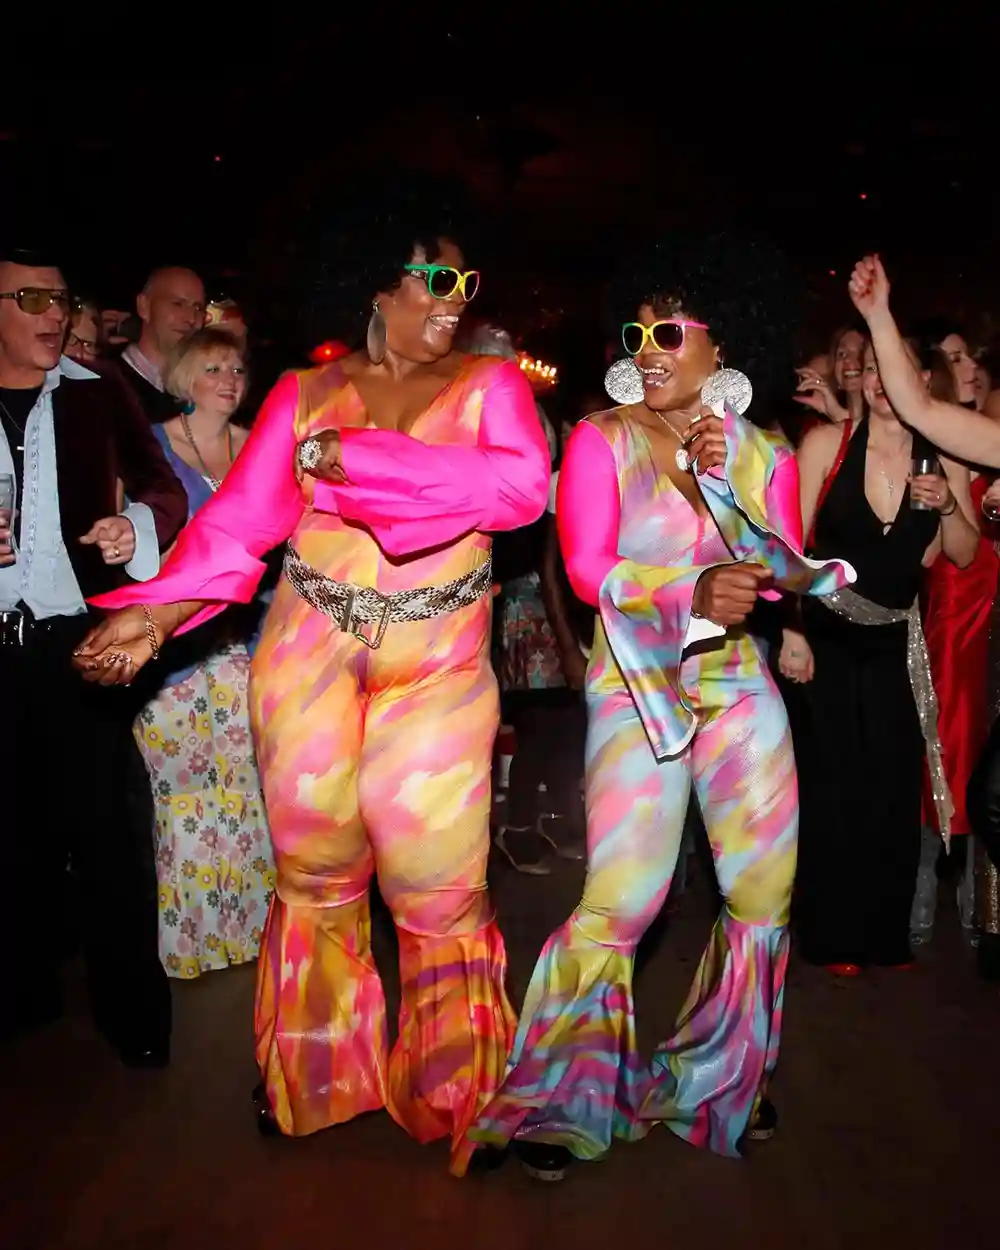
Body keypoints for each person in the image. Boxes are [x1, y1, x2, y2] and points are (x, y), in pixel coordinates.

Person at [71, 180, 550, 1171]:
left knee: (436, 884)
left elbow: (518, 489)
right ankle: (318, 1072)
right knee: (317, 875)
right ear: (375, 283)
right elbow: (236, 530)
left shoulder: (488, 386)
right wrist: (151, 618)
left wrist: (355, 460)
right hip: (308, 652)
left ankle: (456, 1085)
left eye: (464, 281)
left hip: (437, 665)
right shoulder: (300, 392)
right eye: (434, 278)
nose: (454, 298)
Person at [465, 234, 854, 1181]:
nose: (648, 349)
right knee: (624, 899)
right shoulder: (600, 439)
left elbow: (780, 572)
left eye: (669, 332)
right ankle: (560, 1093)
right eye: (637, 333)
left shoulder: (766, 451)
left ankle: (724, 1077)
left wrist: (731, 479)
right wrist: (690, 590)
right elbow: (587, 570)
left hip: (737, 685)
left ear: (723, 344)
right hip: (635, 687)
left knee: (761, 896)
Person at [0, 246, 187, 1060]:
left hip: (76, 646)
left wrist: (132, 529)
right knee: (12, 835)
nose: (53, 316)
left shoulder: (96, 390)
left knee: (108, 835)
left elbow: (164, 490)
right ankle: (21, 994)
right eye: (30, 300)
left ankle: (134, 1021)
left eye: (60, 299)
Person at [786, 336, 976, 972]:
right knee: (832, 785)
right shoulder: (827, 445)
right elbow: (789, 548)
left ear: (918, 378)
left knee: (891, 788)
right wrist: (792, 631)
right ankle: (832, 935)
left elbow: (963, 553)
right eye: (867, 369)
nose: (875, 379)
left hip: (895, 638)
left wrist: (949, 505)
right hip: (828, 635)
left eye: (886, 368)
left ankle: (882, 936)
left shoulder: (943, 455)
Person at [138, 327, 274, 978]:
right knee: (184, 796)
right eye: (214, 367)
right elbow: (135, 547)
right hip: (173, 648)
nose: (229, 380)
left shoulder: (258, 449)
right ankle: (191, 943)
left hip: (245, 643)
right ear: (183, 376)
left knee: (245, 790)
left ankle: (254, 936)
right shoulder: (151, 447)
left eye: (238, 369)